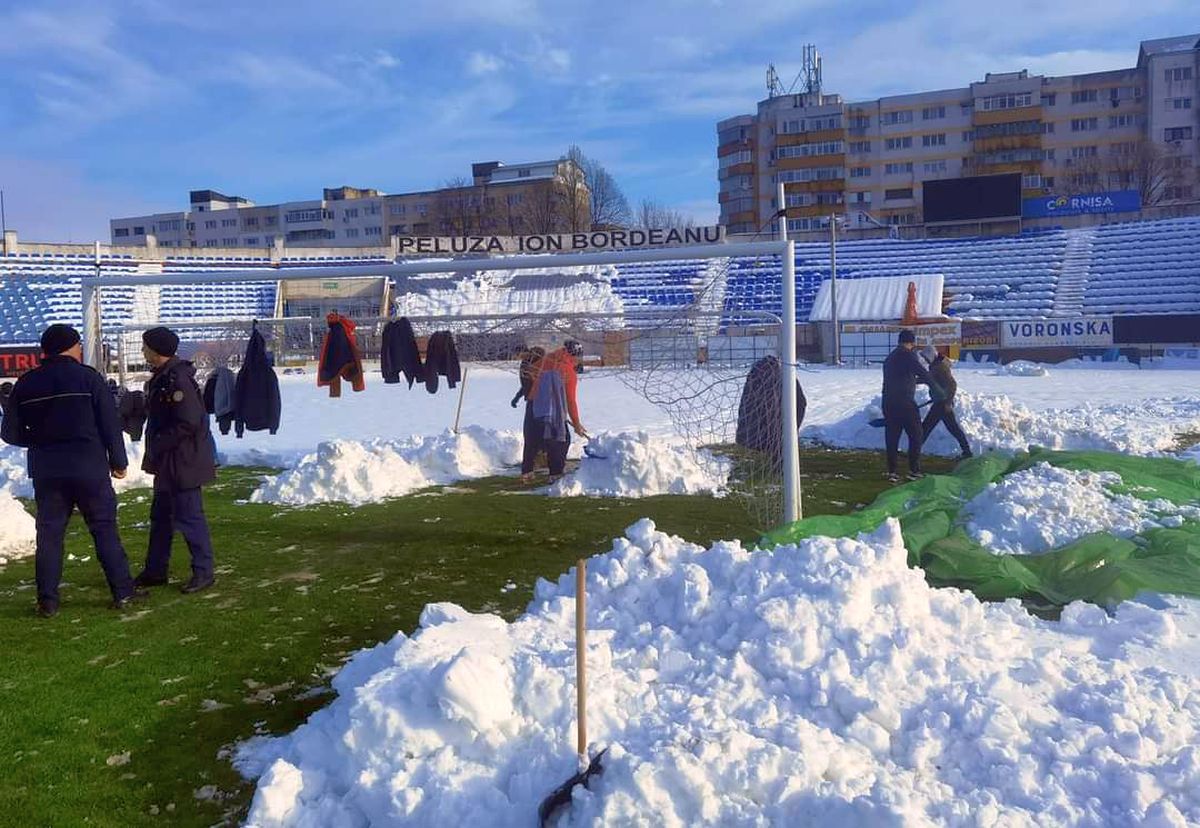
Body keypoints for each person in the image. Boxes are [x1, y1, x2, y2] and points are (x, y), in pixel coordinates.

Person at [0, 324, 146, 617]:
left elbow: (10, 432)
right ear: (71, 346)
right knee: (104, 529)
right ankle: (122, 592)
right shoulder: (88, 378)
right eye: (79, 344)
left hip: (47, 471)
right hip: (88, 466)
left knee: (50, 535)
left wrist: (40, 441)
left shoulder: (26, 383)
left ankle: (48, 601)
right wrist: (119, 462)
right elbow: (110, 424)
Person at [134, 327, 218, 594]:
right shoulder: (164, 377)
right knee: (161, 517)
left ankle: (204, 572)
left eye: (145, 346)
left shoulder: (177, 379)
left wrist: (159, 444)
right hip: (170, 463)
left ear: (156, 350)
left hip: (183, 462)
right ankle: (155, 570)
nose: (142, 351)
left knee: (190, 518)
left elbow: (189, 422)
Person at [523, 340, 588, 482]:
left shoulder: (548, 358)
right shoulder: (568, 372)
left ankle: (527, 472)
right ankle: (556, 473)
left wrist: (540, 385)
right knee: (561, 439)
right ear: (575, 356)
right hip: (553, 409)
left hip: (534, 404)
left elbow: (530, 370)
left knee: (532, 439)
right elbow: (571, 401)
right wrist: (576, 424)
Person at [881, 329, 939, 482]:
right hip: (905, 403)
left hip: (888, 402)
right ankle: (914, 470)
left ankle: (892, 471)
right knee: (916, 434)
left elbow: (902, 376)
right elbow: (922, 373)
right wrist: (937, 388)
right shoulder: (908, 356)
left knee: (892, 437)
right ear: (911, 342)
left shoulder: (890, 357)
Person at [920, 345, 973, 461]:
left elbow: (952, 385)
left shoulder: (940, 367)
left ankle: (914, 452)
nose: (925, 359)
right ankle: (967, 452)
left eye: (926, 357)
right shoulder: (936, 365)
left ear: (931, 355)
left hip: (942, 404)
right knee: (953, 428)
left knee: (926, 427)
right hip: (942, 402)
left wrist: (947, 401)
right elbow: (931, 380)